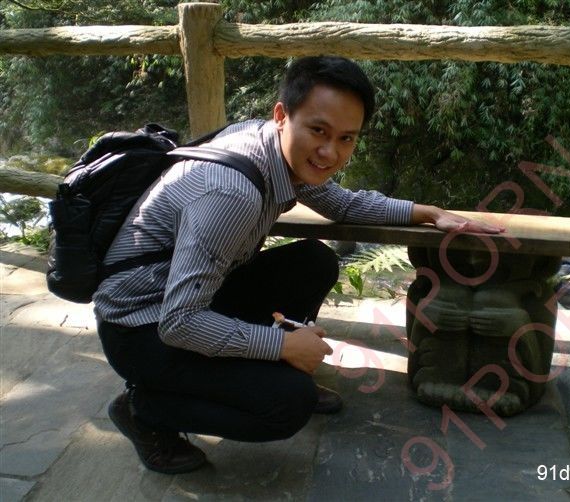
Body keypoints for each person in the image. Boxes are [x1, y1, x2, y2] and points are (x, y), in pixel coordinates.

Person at [93, 56, 502, 474]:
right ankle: (143, 409)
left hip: (186, 299)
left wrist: (429, 213)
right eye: (318, 131)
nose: (330, 152)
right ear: (281, 115)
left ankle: (258, 370)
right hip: (140, 331)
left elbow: (342, 205)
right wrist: (283, 346)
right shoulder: (232, 193)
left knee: (313, 261)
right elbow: (179, 322)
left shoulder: (272, 147)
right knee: (288, 404)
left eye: (346, 138)